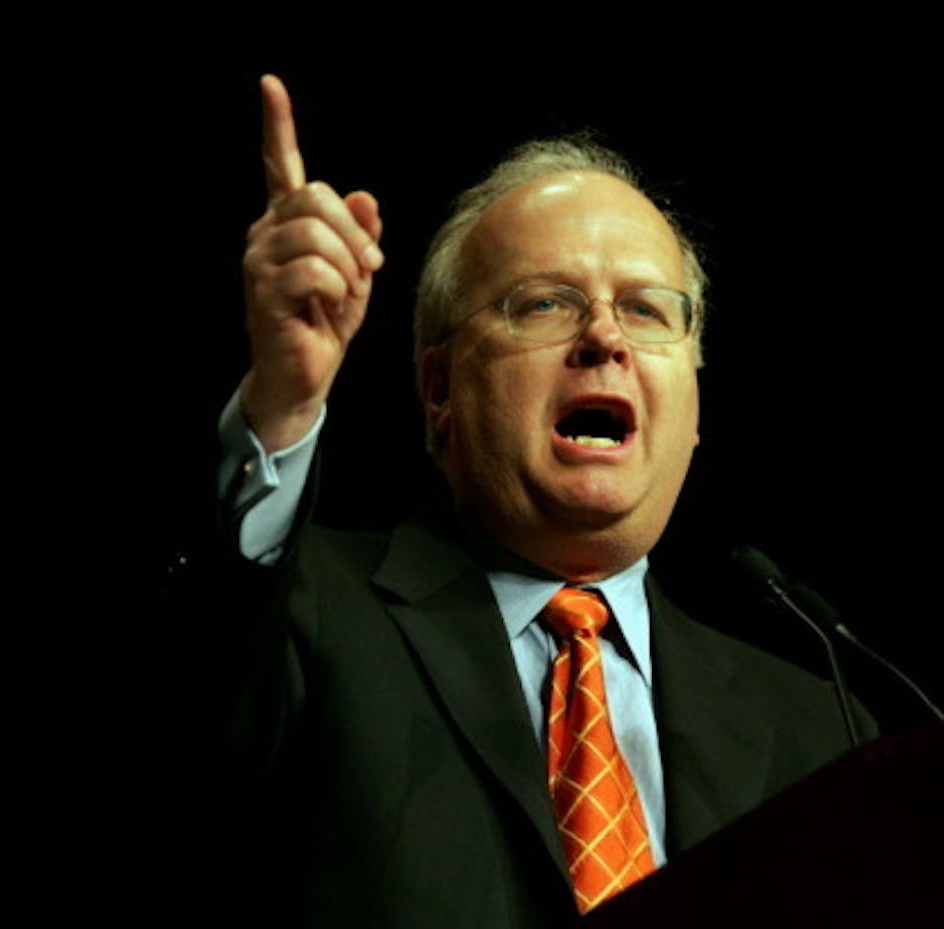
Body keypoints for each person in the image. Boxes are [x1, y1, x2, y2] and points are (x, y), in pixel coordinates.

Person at [199, 74, 869, 928]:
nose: (605, 338)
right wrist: (283, 405)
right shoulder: (302, 613)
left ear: (695, 406)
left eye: (646, 309)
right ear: (439, 389)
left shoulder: (824, 726)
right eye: (546, 302)